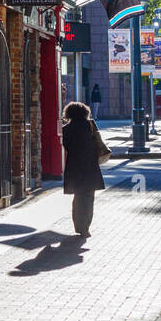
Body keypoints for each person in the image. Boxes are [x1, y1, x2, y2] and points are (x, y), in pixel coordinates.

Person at [62, 100, 105, 236]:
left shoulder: (66, 129)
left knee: (78, 196)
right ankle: (85, 227)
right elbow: (98, 142)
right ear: (85, 112)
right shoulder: (90, 125)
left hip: (74, 165)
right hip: (89, 165)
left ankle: (78, 225)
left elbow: (66, 147)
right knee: (89, 197)